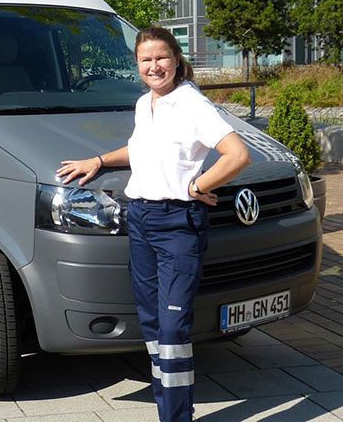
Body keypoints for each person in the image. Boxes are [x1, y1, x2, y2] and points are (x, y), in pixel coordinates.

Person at [57, 27, 250, 422]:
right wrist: (98, 161)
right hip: (141, 220)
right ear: (138, 66)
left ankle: (176, 417)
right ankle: (169, 408)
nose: (154, 66)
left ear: (176, 59)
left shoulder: (191, 103)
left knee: (173, 327)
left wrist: (197, 184)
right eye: (146, 60)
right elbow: (142, 147)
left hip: (178, 222)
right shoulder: (146, 103)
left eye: (161, 57)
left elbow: (238, 154)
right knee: (150, 323)